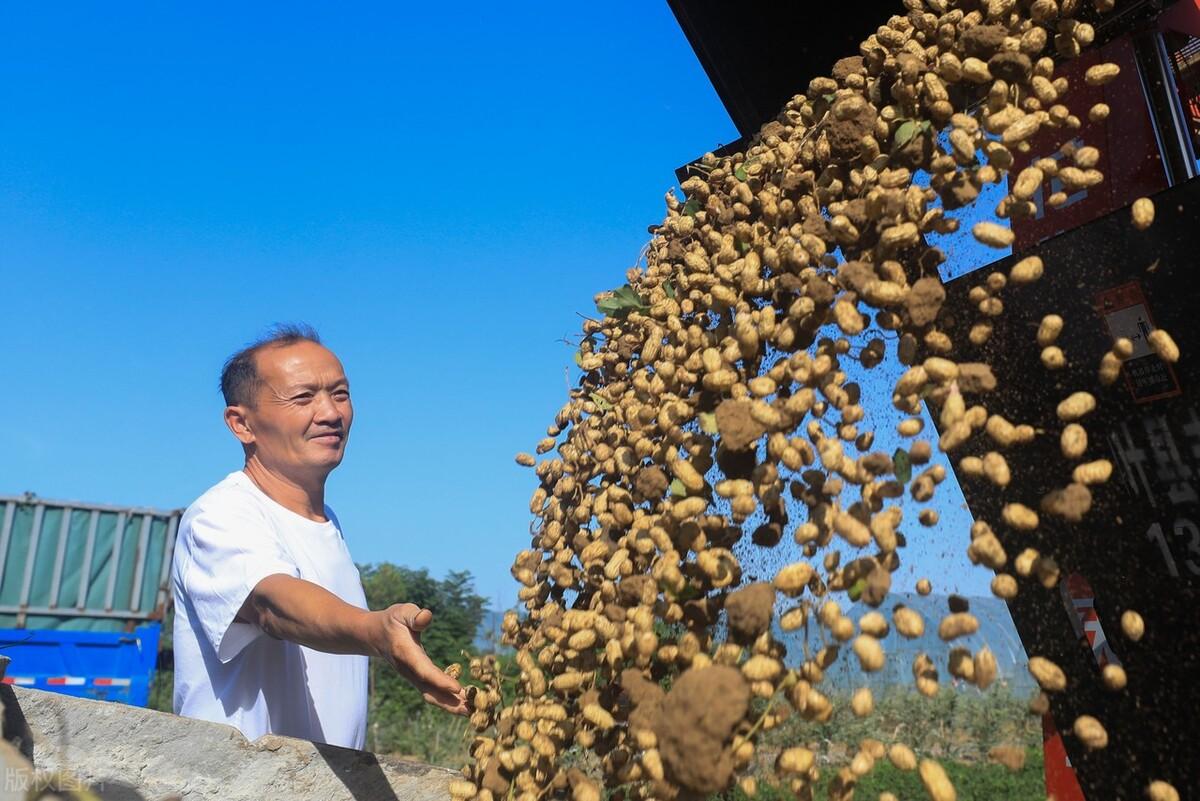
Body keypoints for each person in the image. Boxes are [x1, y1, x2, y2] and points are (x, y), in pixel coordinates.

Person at [171, 324, 467, 749]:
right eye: (303, 397)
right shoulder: (222, 514)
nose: (331, 413)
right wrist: (375, 631)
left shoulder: (326, 522)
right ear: (242, 424)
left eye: (340, 394)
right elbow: (273, 603)